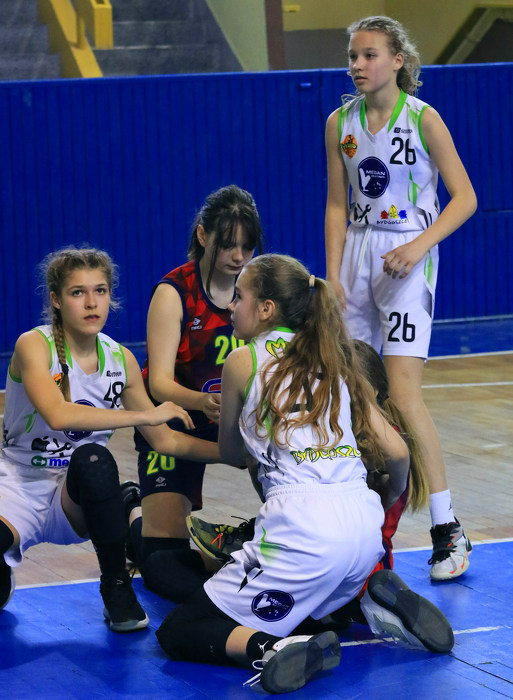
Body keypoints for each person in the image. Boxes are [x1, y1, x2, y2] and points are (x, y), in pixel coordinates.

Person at [156, 254, 453, 695]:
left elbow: (232, 454)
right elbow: (397, 451)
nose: (231, 306)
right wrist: (385, 502)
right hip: (364, 530)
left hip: (303, 533)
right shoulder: (336, 357)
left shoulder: (242, 360)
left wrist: (233, 426)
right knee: (311, 595)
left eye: (239, 296)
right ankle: (371, 604)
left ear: (266, 309)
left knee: (179, 629)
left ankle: (274, 648)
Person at [324, 16, 477, 580]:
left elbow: (465, 198)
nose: (357, 65)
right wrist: (334, 274)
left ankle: (447, 527)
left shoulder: (424, 119)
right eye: (352, 56)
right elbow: (336, 204)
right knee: (353, 391)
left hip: (409, 254)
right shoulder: (339, 122)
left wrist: (417, 246)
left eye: (368, 55)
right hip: (358, 255)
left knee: (405, 395)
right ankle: (365, 527)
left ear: (398, 61)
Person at [0, 246, 220, 632]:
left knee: (92, 457)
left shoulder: (120, 359)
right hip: (19, 484)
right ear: (56, 299)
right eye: (78, 292)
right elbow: (59, 414)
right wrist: (143, 414)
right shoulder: (33, 345)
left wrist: (233, 453)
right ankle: (127, 506)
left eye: (100, 291)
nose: (91, 303)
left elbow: (166, 441)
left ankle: (117, 587)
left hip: (79, 492)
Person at [123, 185, 264, 602]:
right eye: (228, 244)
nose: (238, 256)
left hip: (232, 417)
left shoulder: (259, 289)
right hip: (176, 417)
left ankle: (264, 547)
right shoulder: (174, 293)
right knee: (162, 561)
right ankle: (131, 510)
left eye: (247, 246)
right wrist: (202, 402)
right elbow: (158, 383)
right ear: (203, 235)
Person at [187, 338, 430, 574]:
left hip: (354, 568)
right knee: (184, 564)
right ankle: (254, 538)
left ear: (369, 391)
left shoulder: (377, 450)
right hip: (338, 556)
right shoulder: (361, 433)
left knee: (195, 571)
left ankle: (252, 539)